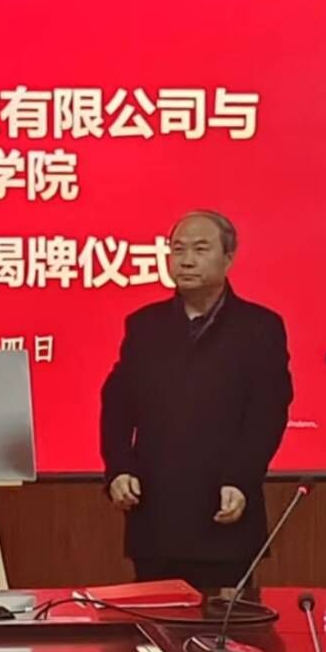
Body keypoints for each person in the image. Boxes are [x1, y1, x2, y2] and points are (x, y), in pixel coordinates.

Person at [100, 210, 293, 590]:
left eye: (200, 249)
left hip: (225, 511)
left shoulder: (259, 327)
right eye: (178, 249)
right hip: (155, 516)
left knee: (225, 623)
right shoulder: (145, 326)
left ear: (229, 257)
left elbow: (267, 415)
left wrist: (241, 478)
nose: (186, 260)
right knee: (155, 619)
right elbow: (118, 404)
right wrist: (119, 468)